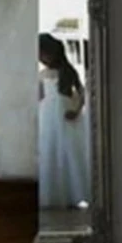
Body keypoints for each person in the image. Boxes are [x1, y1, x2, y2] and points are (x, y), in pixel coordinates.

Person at [38, 32, 89, 209]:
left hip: (65, 116)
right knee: (50, 151)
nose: (42, 58)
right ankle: (53, 194)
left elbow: (82, 93)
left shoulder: (68, 71)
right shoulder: (42, 74)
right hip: (48, 117)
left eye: (44, 54)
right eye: (40, 55)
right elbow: (39, 96)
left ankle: (73, 193)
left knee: (69, 153)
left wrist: (76, 110)